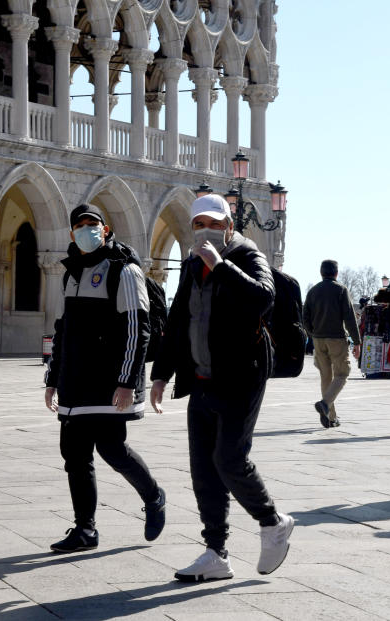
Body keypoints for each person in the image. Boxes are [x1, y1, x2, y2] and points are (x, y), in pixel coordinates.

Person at [150, 194, 293, 582]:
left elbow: (263, 298)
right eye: (198, 224)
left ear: (229, 225)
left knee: (230, 459)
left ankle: (273, 522)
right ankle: (216, 552)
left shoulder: (247, 255)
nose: (205, 230)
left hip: (242, 376)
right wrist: (161, 374)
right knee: (203, 470)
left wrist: (222, 265)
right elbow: (178, 319)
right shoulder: (192, 264)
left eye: (214, 223)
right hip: (202, 379)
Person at [44, 203, 166, 553]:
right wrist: (52, 378)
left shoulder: (123, 271)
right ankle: (85, 530)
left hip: (109, 382)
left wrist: (128, 381)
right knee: (74, 454)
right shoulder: (71, 274)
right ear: (72, 234)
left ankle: (154, 496)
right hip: (74, 381)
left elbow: (136, 329)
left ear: (106, 229)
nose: (87, 230)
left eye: (93, 224)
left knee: (112, 449)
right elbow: (62, 330)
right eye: (80, 225)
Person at [302, 260, 362, 428]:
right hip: (336, 338)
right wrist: (357, 342)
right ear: (336, 273)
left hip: (318, 339)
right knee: (343, 373)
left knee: (325, 377)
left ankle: (330, 417)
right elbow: (349, 317)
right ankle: (325, 404)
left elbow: (304, 316)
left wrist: (312, 333)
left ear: (321, 273)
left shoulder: (313, 291)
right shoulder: (341, 290)